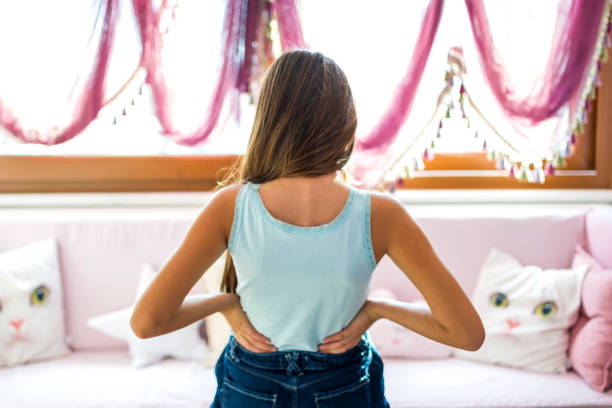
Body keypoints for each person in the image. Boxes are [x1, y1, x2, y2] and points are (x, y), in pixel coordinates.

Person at [130, 49, 485, 407]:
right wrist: (376, 309)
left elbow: (147, 322)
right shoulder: (381, 214)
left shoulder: (231, 206)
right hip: (342, 384)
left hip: (252, 385)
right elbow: (467, 333)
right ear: (347, 124)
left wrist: (226, 303)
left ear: (268, 119)